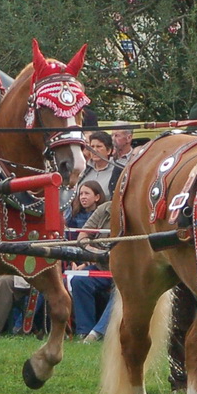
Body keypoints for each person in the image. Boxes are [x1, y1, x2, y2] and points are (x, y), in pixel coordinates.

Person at [65, 180, 114, 342]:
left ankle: (96, 334)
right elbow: (82, 236)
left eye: (87, 193)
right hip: (101, 266)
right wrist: (95, 252)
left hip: (124, 271)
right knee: (79, 280)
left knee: (121, 291)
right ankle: (83, 331)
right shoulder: (103, 209)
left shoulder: (136, 212)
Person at [81, 131, 121, 196]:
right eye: (92, 147)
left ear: (108, 150)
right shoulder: (84, 169)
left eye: (99, 146)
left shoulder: (118, 171)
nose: (94, 150)